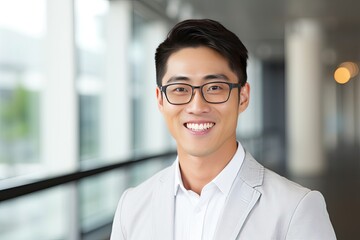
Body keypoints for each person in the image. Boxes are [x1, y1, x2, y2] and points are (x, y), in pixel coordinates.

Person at [110, 19, 336, 240]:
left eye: (215, 87)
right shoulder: (131, 206)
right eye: (180, 89)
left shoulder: (295, 208)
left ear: (243, 96)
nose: (197, 106)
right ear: (160, 100)